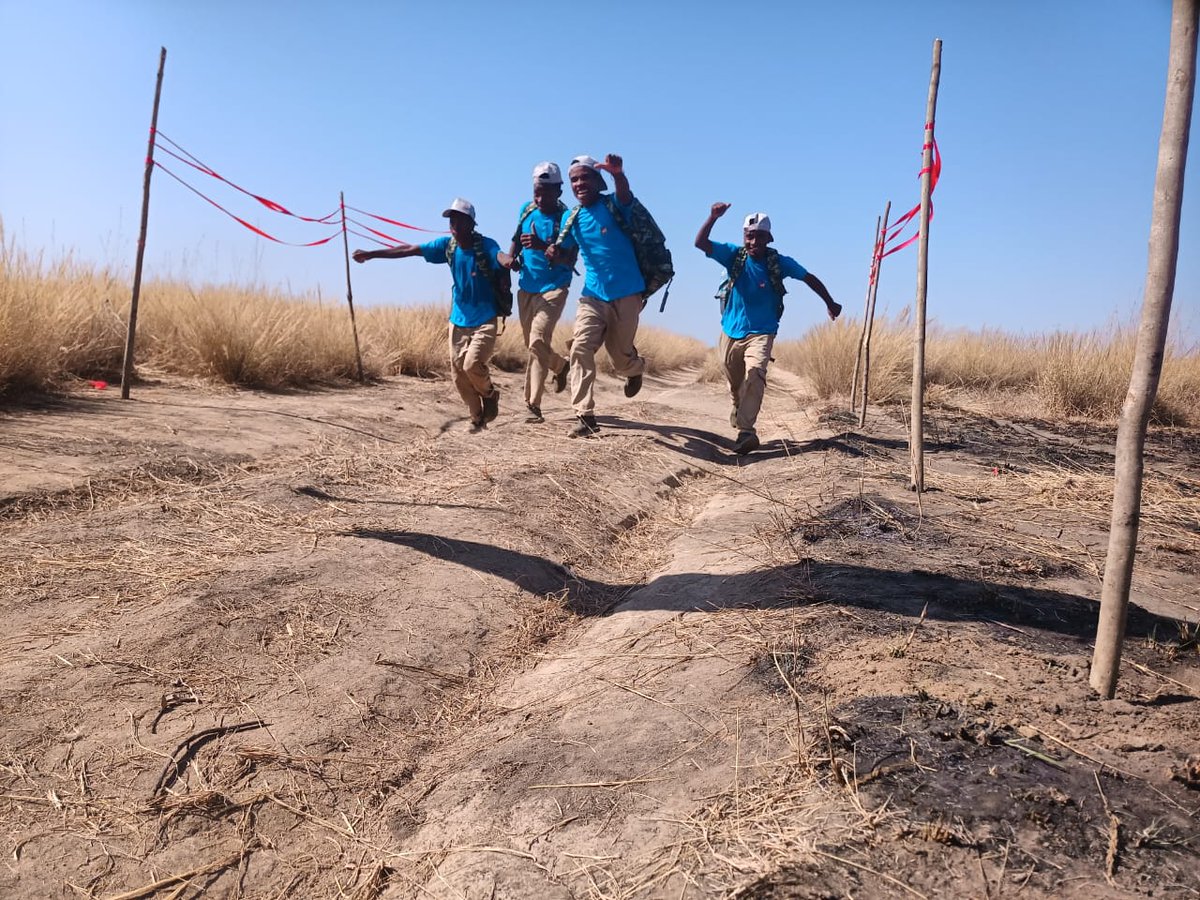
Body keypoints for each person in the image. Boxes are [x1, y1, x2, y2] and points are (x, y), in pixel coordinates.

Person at [353, 198, 511, 433]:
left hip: (485, 318)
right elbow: (409, 250)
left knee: (472, 364)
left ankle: (489, 395)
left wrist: (510, 261)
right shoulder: (448, 246)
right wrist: (372, 254)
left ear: (471, 223)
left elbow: (500, 256)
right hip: (458, 320)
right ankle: (477, 418)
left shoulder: (485, 246)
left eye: (459, 219)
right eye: (451, 220)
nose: (454, 224)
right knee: (458, 376)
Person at [695, 202, 842, 455]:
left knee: (755, 373)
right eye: (749, 236)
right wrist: (712, 217)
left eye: (759, 237)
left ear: (769, 238)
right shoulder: (732, 255)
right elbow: (700, 243)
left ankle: (746, 432)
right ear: (744, 237)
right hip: (731, 329)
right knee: (734, 381)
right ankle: (737, 404)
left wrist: (830, 302)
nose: (754, 242)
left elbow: (808, 277)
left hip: (763, 331)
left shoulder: (779, 263)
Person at [546, 154, 647, 438]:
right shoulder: (571, 217)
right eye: (574, 179)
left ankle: (634, 368)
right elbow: (567, 257)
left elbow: (626, 195)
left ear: (598, 181)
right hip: (592, 295)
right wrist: (554, 253)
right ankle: (585, 415)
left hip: (628, 292)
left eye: (584, 177)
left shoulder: (614, 205)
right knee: (579, 348)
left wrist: (618, 173)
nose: (579, 183)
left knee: (619, 356)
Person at [506, 162, 576, 424]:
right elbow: (515, 237)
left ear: (559, 190)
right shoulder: (528, 209)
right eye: (536, 191)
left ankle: (532, 406)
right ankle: (559, 365)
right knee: (533, 345)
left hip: (554, 288)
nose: (539, 198)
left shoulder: (567, 218)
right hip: (526, 287)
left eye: (545, 192)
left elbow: (569, 259)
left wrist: (542, 245)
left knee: (537, 341)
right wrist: (511, 259)